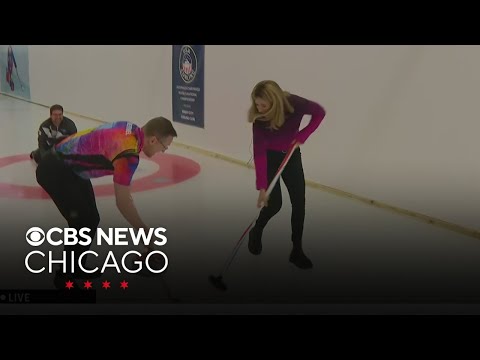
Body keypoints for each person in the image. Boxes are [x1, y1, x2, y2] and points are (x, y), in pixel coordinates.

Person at [36, 117, 177, 279]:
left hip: (69, 166)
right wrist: (144, 231)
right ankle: (63, 278)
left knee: (91, 219)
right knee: (83, 222)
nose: (163, 151)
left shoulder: (128, 128)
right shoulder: (129, 155)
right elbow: (123, 202)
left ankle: (74, 267)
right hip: (55, 170)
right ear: (153, 140)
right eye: (164, 147)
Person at [247, 80, 326, 269]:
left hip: (291, 156)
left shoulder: (295, 104)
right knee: (274, 204)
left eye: (263, 105)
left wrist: (302, 136)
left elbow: (319, 113)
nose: (259, 108)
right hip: (271, 157)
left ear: (275, 101)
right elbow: (258, 153)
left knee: (299, 203)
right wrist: (263, 186)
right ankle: (256, 230)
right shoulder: (260, 121)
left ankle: (296, 251)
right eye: (256, 104)